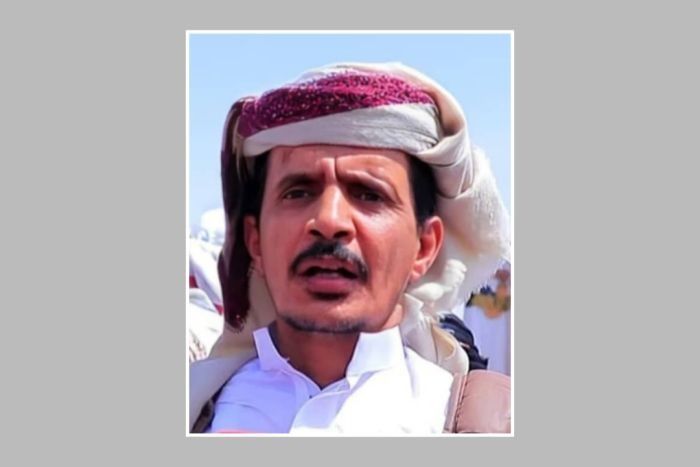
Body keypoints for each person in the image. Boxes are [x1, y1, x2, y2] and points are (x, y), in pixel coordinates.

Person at [189, 62, 511, 434]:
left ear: (424, 248)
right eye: (299, 192)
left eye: (368, 194)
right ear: (255, 241)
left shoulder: (480, 422)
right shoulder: (199, 409)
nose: (329, 220)